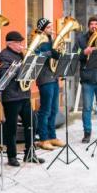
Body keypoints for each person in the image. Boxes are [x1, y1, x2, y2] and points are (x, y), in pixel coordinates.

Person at [0, 31, 43, 166]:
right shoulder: (3, 56)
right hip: (11, 97)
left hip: (24, 94)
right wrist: (22, 67)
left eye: (21, 42)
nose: (21, 45)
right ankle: (11, 156)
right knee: (11, 128)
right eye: (18, 43)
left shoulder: (20, 54)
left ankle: (30, 153)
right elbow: (2, 74)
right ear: (10, 44)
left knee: (32, 123)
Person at [75, 16, 97, 144]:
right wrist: (84, 52)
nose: (94, 26)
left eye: (96, 24)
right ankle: (87, 133)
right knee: (87, 108)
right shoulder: (81, 39)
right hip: (88, 79)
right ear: (88, 26)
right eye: (92, 24)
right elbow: (75, 54)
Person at [34, 19, 63, 150]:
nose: (52, 29)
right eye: (49, 27)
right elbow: (35, 55)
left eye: (51, 26)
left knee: (54, 109)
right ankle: (43, 139)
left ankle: (52, 136)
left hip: (54, 77)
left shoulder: (52, 40)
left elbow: (56, 56)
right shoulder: (38, 40)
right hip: (44, 78)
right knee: (45, 110)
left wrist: (58, 52)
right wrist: (49, 52)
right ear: (43, 29)